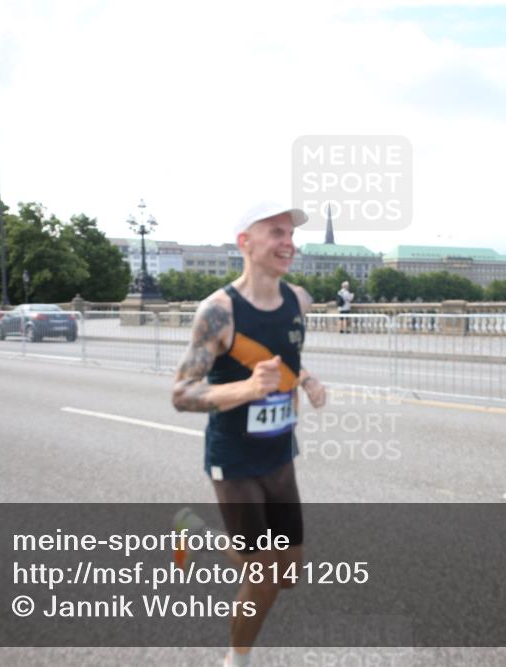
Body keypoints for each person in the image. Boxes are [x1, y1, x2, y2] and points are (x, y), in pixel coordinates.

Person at [172, 200, 327, 667]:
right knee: (261, 575)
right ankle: (235, 659)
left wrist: (306, 378)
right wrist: (245, 388)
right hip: (234, 459)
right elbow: (182, 393)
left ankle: (194, 534)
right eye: (276, 233)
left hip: (280, 454)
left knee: (289, 573)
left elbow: (281, 358)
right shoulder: (218, 311)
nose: (289, 243)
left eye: (291, 234)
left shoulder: (299, 300)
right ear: (246, 243)